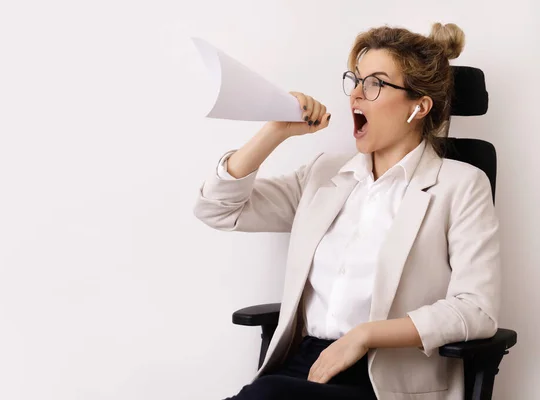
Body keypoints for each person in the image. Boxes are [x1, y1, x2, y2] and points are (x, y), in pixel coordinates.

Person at [193, 22, 500, 400]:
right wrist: (275, 130)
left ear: (419, 106)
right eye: (355, 80)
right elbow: (217, 209)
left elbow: (477, 311)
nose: (355, 94)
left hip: (386, 377)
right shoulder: (325, 174)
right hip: (301, 365)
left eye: (375, 83)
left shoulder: (461, 185)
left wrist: (365, 335)